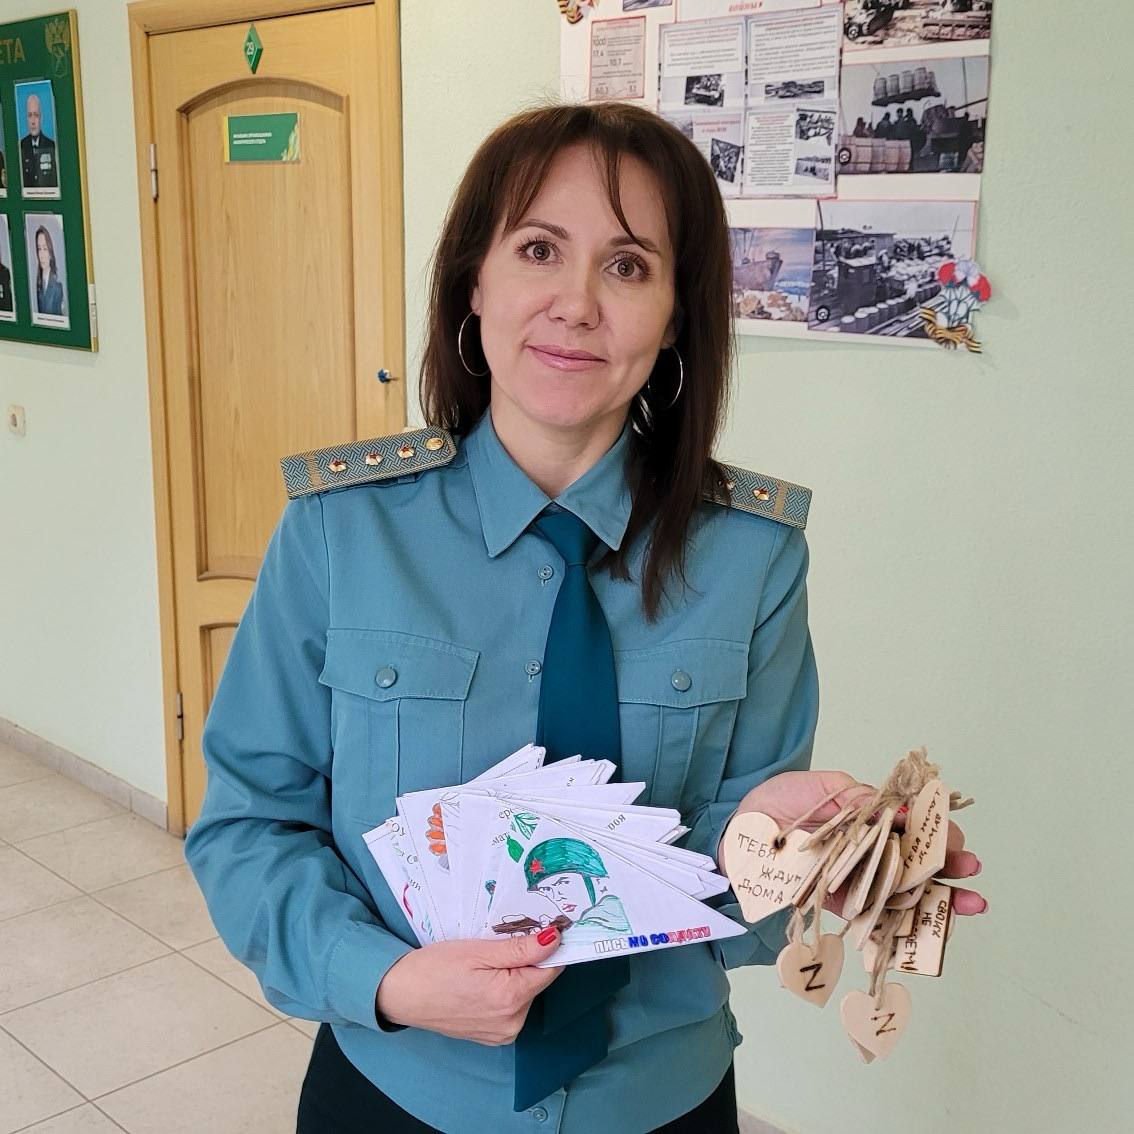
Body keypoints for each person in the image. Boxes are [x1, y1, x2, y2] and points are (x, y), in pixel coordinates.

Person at [185, 102, 986, 1134]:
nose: (575, 305)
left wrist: (805, 860)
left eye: (628, 266)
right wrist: (385, 979)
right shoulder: (341, 531)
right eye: (538, 250)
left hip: (660, 1096)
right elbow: (252, 823)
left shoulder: (754, 556)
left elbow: (729, 876)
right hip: (398, 1088)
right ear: (475, 282)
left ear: (677, 314)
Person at [20, 93, 59, 190]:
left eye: (36, 115)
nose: (33, 121)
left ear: (41, 118)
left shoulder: (51, 146)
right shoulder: (21, 146)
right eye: (30, 115)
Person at [33, 226, 64, 317]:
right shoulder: (37, 283)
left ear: (50, 252)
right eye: (39, 249)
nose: (41, 255)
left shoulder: (58, 285)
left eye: (45, 249)